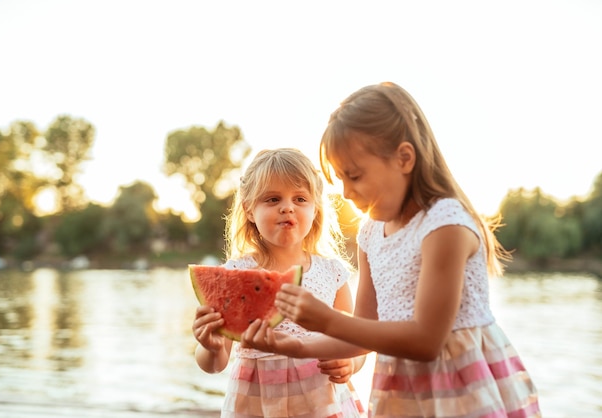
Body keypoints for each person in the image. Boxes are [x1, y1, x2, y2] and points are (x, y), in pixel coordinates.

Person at [242, 83, 541, 417]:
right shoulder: (371, 234)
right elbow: (363, 333)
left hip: (462, 389)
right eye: (339, 179)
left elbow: (426, 341)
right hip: (403, 392)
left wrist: (325, 319)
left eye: (353, 176)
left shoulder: (445, 225)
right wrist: (296, 347)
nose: (345, 192)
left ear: (404, 158)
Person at [192, 148, 365, 417]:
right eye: (273, 199)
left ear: (315, 208)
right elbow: (214, 365)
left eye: (300, 199)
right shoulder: (236, 272)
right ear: (249, 210)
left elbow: (356, 342)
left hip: (323, 402)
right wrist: (210, 347)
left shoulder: (333, 273)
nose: (287, 207)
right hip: (256, 405)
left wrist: (350, 364)